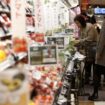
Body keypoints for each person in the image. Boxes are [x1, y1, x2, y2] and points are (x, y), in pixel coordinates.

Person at [74, 15, 98, 84]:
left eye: (78, 23)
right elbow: (81, 39)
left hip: (94, 49)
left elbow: (89, 39)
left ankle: (96, 82)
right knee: (87, 64)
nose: (77, 25)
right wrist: (77, 44)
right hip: (87, 49)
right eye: (76, 23)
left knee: (95, 65)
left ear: (81, 21)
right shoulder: (81, 28)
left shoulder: (89, 26)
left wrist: (79, 42)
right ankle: (87, 79)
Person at [88, 19, 105, 100]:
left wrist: (98, 54)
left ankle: (95, 94)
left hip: (103, 55)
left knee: (97, 73)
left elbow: (102, 40)